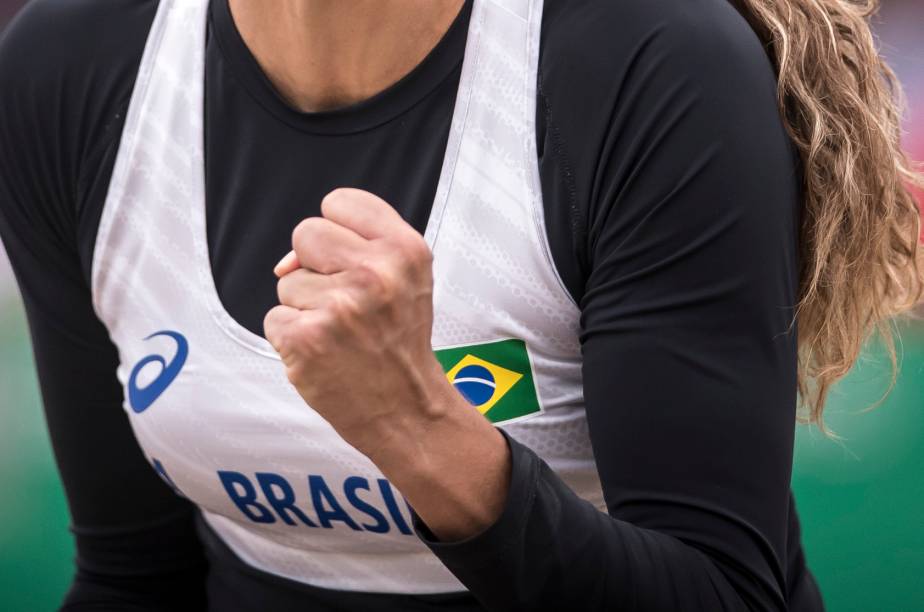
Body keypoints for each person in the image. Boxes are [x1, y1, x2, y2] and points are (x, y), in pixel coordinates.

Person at [0, 0, 920, 610]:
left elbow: (727, 593)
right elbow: (134, 579)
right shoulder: (67, 68)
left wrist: (421, 429)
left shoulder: (648, 61)